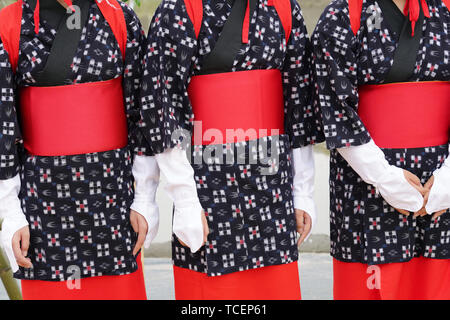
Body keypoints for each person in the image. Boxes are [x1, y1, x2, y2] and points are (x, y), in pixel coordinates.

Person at [137, 0, 325, 300]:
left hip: (271, 186)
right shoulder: (179, 9)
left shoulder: (283, 8)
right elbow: (161, 107)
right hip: (207, 186)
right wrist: (184, 199)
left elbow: (297, 102)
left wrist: (302, 191)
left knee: (275, 290)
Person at [0, 0, 154, 300]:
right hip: (43, 207)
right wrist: (10, 212)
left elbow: (144, 113)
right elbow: (3, 124)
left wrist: (146, 198)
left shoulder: (119, 17)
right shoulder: (9, 24)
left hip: (113, 200)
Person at [312, 0, 450, 299]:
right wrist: (383, 177)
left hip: (441, 179)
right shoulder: (342, 16)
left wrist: (449, 177)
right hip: (366, 178)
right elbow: (334, 108)